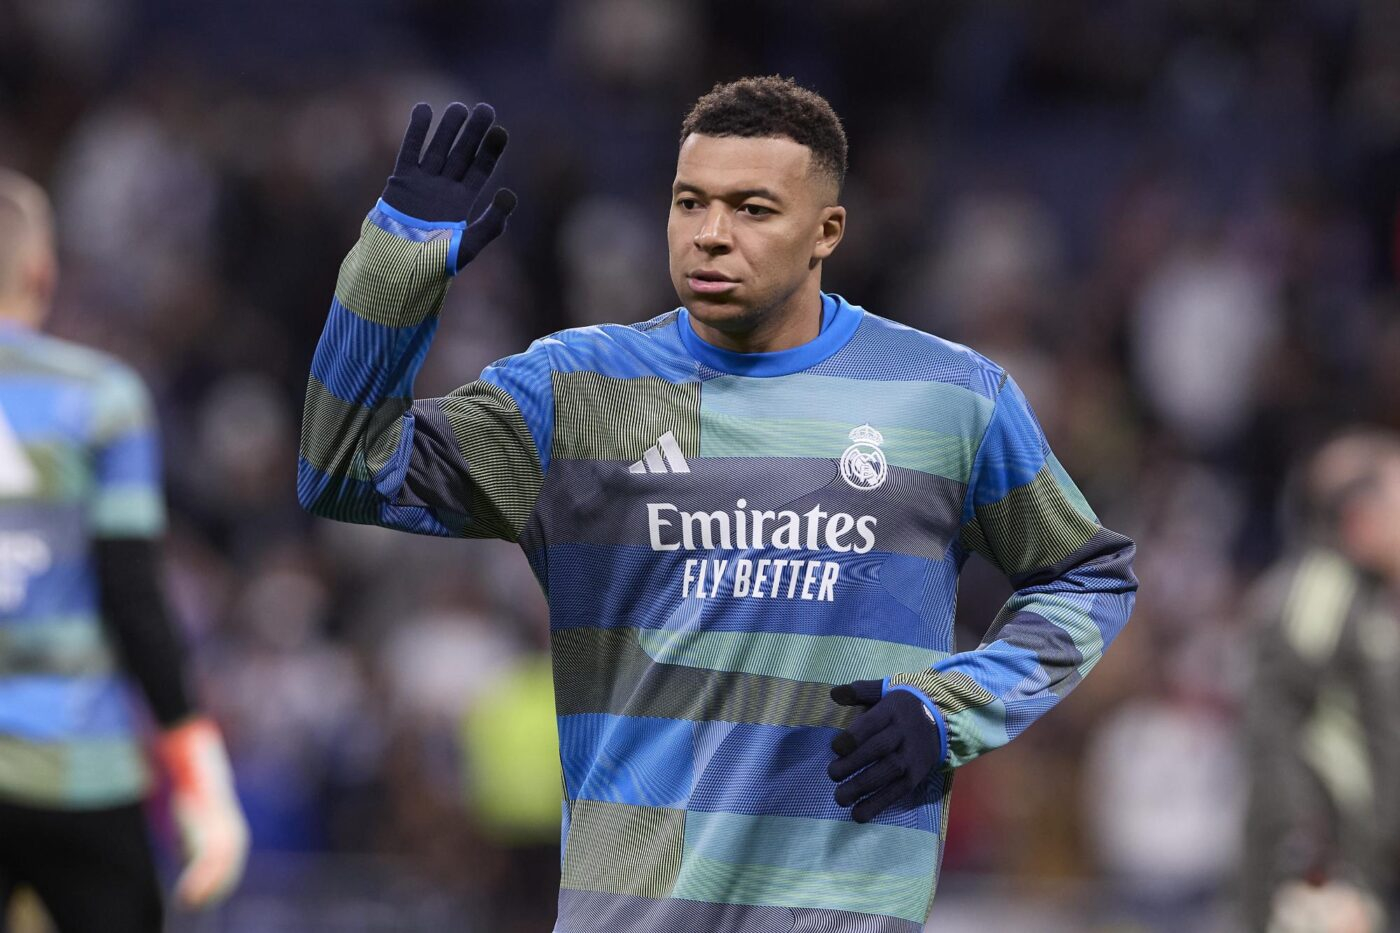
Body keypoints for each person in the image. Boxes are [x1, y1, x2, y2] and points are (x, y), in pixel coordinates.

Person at [299, 76, 1138, 932]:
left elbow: (1089, 576)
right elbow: (343, 468)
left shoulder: (949, 397)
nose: (710, 233)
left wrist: (950, 706)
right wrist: (394, 268)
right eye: (689, 202)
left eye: (752, 209)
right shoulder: (575, 393)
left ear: (827, 232)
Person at [0, 170, 248, 931]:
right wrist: (202, 781)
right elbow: (134, 595)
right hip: (77, 766)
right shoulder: (101, 397)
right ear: (42, 272)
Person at [1242, 430, 1400, 933]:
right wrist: (1314, 865)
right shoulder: (1320, 591)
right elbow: (1274, 724)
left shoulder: (1373, 595)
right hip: (1332, 874)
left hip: (1374, 864)